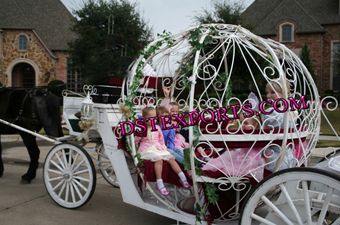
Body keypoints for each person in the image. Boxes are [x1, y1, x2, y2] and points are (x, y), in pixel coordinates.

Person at [134, 106, 190, 196]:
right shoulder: (143, 128)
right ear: (144, 119)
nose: (153, 120)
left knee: (171, 158)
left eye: (154, 117)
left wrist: (163, 148)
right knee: (159, 159)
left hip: (157, 148)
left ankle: (182, 178)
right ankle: (159, 183)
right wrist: (136, 149)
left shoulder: (157, 127)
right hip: (147, 150)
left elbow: (160, 140)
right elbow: (136, 140)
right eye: (150, 118)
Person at [202, 113, 265, 181]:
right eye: (241, 122)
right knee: (221, 161)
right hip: (240, 159)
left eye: (246, 123)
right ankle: (205, 168)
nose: (242, 125)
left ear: (255, 125)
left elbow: (268, 152)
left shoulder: (259, 136)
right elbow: (228, 146)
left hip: (249, 164)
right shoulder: (242, 134)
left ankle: (206, 169)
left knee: (226, 165)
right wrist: (227, 129)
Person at [262, 78, 298, 172]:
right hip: (290, 157)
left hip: (272, 159)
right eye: (267, 92)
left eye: (273, 92)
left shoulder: (271, 113)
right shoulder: (294, 111)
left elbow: (261, 134)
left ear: (283, 93)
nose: (268, 96)